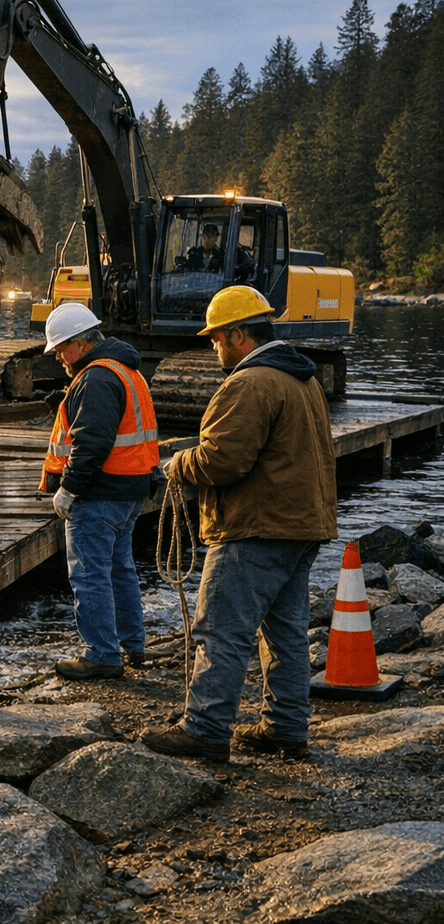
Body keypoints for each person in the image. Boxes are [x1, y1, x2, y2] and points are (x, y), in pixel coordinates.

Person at [141, 286, 337, 762]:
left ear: (237, 336)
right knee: (285, 635)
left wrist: (176, 464)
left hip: (254, 528)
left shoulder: (249, 384)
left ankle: (206, 730)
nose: (213, 348)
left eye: (215, 339)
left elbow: (223, 461)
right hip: (302, 525)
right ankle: (286, 727)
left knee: (221, 631)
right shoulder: (302, 378)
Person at [38, 303, 163, 681]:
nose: (59, 357)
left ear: (80, 343)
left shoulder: (96, 378)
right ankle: (132, 645)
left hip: (99, 494)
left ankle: (103, 654)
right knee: (120, 570)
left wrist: (68, 490)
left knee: (90, 574)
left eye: (61, 348)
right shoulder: (127, 371)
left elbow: (91, 443)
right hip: (129, 490)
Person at [181, 223, 254, 280]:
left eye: (211, 237)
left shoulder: (222, 255)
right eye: (205, 237)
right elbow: (186, 272)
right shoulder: (193, 253)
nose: (206, 240)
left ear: (215, 239)